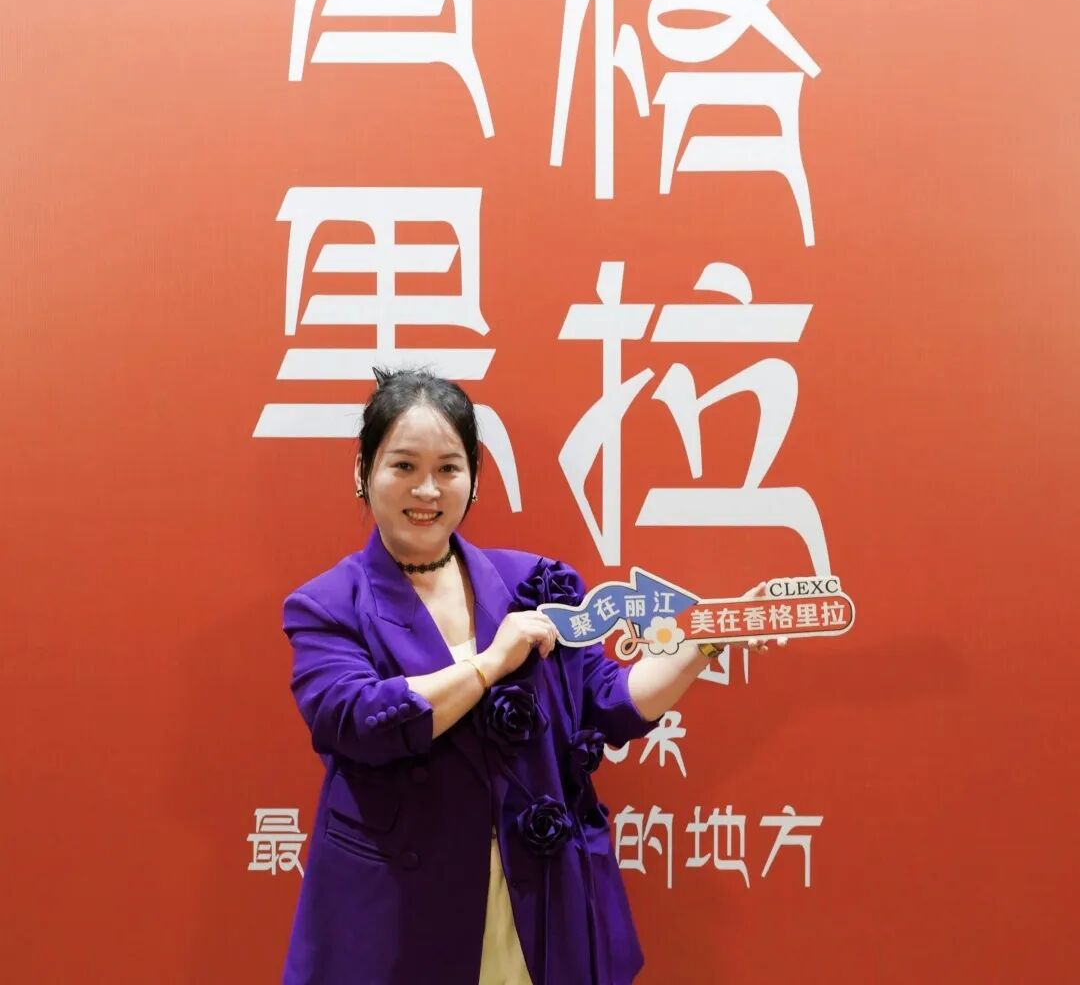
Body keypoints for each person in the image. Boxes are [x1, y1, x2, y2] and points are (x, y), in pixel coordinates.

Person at [280, 369, 771, 985]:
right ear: (363, 471)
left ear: (475, 478)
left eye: (449, 468)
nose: (427, 489)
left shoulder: (536, 584)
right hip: (402, 912)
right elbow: (358, 720)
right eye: (403, 466)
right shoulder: (327, 604)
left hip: (536, 898)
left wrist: (703, 642)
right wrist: (490, 663)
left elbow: (609, 701)